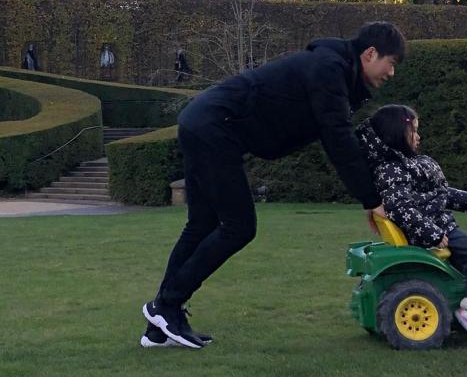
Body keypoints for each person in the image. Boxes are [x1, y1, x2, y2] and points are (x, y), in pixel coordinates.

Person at [141, 21, 406, 349]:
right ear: (370, 54)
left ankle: (160, 326)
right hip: (213, 128)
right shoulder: (329, 69)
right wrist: (370, 198)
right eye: (391, 63)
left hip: (203, 122)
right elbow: (338, 139)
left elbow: (341, 133)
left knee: (202, 224)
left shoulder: (336, 71)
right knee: (239, 227)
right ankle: (166, 305)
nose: (391, 73)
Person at [356, 104, 467, 347]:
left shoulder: (405, 165)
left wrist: (465, 199)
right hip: (432, 231)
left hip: (433, 226)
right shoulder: (393, 170)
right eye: (413, 131)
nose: (418, 136)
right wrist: (432, 234)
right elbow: (401, 208)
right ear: (397, 136)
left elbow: (435, 194)